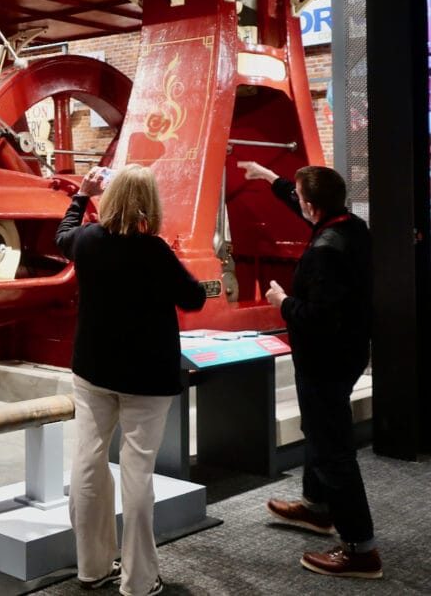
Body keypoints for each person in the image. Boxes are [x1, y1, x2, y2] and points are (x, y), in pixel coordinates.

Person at [56, 164, 206, 595]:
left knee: (88, 461)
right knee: (137, 473)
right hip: (146, 377)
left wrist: (82, 195)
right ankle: (138, 581)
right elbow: (194, 297)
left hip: (93, 371)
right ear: (150, 204)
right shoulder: (154, 251)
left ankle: (91, 568)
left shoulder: (86, 241)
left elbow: (62, 235)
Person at [238, 161, 381, 579]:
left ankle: (360, 549)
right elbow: (306, 201)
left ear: (312, 208)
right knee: (319, 430)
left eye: (298, 198)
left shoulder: (323, 252)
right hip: (347, 354)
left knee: (333, 449)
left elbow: (319, 317)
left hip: (325, 360)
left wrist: (281, 300)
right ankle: (318, 509)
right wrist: (269, 178)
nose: (296, 202)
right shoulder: (350, 225)